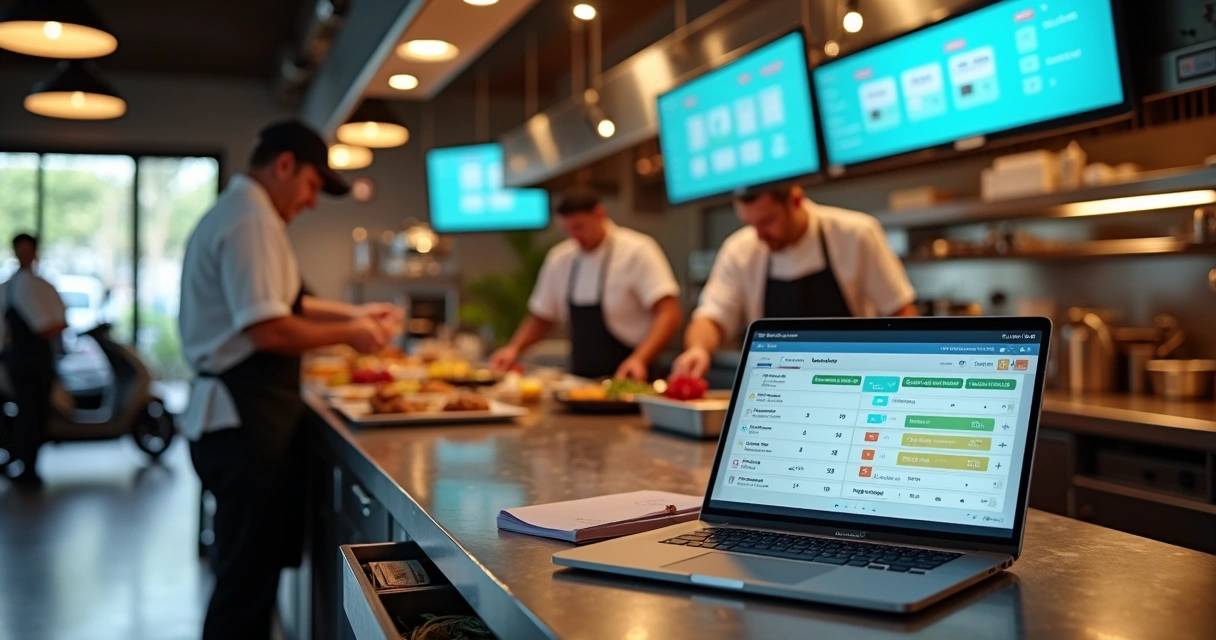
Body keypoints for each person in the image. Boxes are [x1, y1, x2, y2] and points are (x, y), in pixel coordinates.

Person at [178, 120, 402, 640]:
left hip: (241, 416)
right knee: (242, 583)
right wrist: (350, 333)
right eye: (311, 186)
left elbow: (289, 304)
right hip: (240, 418)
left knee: (247, 574)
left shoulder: (247, 214)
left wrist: (353, 313)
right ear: (284, 165)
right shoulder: (251, 219)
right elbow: (267, 327)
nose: (313, 202)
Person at [672, 184, 916, 379]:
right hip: (776, 386)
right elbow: (711, 317)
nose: (759, 235)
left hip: (851, 383)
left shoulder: (856, 234)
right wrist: (698, 349)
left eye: (767, 222)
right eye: (751, 224)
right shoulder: (740, 250)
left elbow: (900, 311)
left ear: (796, 201)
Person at [490, 186, 683, 380]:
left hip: (633, 375)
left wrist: (640, 359)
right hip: (581, 380)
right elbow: (542, 316)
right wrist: (514, 348)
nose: (574, 237)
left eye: (579, 227)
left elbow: (669, 313)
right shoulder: (560, 258)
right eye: (568, 230)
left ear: (599, 214)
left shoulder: (637, 250)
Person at [0, 233, 67, 489]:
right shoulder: (22, 285)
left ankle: (28, 464)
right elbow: (46, 326)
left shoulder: (33, 285)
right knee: (30, 413)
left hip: (34, 358)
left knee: (35, 412)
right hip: (28, 359)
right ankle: (27, 467)